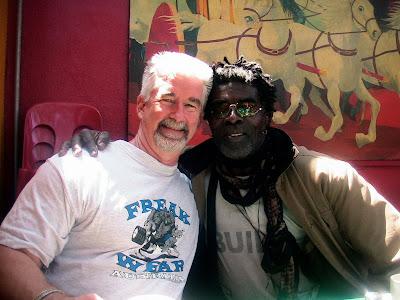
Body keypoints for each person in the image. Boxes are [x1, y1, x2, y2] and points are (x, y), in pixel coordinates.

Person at [61, 57, 400, 299]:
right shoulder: (187, 179)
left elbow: (394, 255)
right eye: (221, 109)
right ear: (208, 121)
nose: (234, 117)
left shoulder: (322, 178)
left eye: (248, 107)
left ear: (267, 115)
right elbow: (141, 167)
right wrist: (97, 147)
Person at [0, 51, 213, 300]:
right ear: (142, 106)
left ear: (199, 120)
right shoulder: (81, 168)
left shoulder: (194, 187)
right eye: (167, 99)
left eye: (190, 105)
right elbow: (10, 256)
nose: (178, 114)